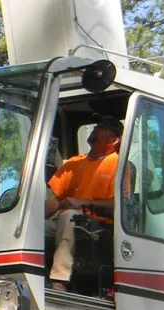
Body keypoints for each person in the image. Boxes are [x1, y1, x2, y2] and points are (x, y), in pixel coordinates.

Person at [45, 115, 124, 291]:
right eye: (98, 123)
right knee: (37, 228)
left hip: (98, 226)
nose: (97, 126)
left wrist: (80, 202)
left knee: (70, 217)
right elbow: (53, 201)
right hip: (65, 219)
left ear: (114, 139)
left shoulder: (119, 165)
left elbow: (118, 206)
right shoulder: (74, 163)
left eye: (103, 126)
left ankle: (59, 281)